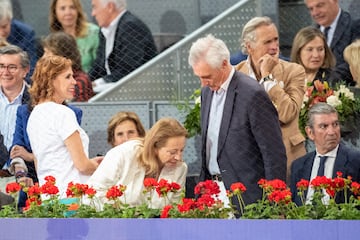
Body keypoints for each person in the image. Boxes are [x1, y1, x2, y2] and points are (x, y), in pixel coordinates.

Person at [188, 34, 287, 213]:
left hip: (247, 198)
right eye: (199, 77)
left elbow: (273, 153)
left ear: (224, 64)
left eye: (207, 76)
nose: (203, 83)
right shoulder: (207, 92)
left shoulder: (252, 94)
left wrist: (275, 204)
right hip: (213, 194)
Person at [235, 16, 306, 181]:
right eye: (267, 42)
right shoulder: (236, 76)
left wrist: (267, 79)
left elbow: (288, 113)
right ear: (249, 47)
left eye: (276, 40)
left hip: (288, 159)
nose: (274, 47)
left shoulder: (294, 71)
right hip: (249, 163)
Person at [26, 55, 102, 198]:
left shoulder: (34, 115)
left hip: (51, 197)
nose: (74, 82)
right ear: (51, 80)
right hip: (72, 197)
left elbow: (44, 162)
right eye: (68, 77)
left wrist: (90, 162)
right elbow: (82, 166)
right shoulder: (63, 113)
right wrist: (105, 166)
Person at [87, 117, 188, 209]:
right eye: (172, 152)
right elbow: (94, 192)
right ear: (154, 147)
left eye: (182, 150)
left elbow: (174, 208)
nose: (178, 157)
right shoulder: (123, 154)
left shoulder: (180, 168)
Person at [290, 102, 360, 206]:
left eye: (335, 124)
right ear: (310, 132)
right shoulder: (298, 166)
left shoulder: (355, 161)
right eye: (324, 126)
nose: (332, 132)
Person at [89, 0, 157, 92]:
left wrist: (97, 83)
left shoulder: (131, 27)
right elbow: (98, 66)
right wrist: (84, 81)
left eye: (95, 7)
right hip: (113, 89)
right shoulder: (105, 30)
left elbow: (128, 70)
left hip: (136, 90)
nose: (93, 13)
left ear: (110, 7)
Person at [304, 0, 360, 86]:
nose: (315, 13)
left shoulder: (355, 26)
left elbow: (354, 61)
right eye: (311, 9)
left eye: (320, 6)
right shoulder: (310, 33)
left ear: (335, 1)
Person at [42, 31, 94, 102]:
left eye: (47, 52)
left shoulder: (79, 80)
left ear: (59, 55)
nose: (43, 57)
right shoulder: (47, 77)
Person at [49, 0, 99, 73]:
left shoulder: (93, 32)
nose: (68, 12)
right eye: (63, 8)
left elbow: (99, 65)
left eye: (72, 7)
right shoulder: (53, 40)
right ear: (55, 12)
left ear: (78, 10)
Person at [0, 45, 30, 168]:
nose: (5, 72)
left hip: (29, 172)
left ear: (25, 70)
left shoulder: (37, 101)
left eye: (12, 67)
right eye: (1, 66)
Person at [0, 0, 37, 84]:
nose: (1, 32)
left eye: (4, 26)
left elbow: (31, 68)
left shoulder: (26, 33)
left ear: (10, 20)